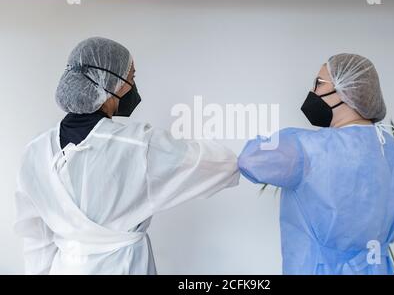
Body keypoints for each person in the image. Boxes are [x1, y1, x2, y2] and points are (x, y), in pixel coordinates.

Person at [14, 37, 240, 275]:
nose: (131, 85)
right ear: (110, 83)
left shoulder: (35, 151)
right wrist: (250, 160)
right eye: (131, 78)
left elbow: (35, 235)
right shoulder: (137, 144)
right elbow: (205, 163)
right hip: (125, 267)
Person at [238, 53, 394, 275]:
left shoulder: (307, 148)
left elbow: (250, 160)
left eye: (319, 84)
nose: (313, 92)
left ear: (346, 89)